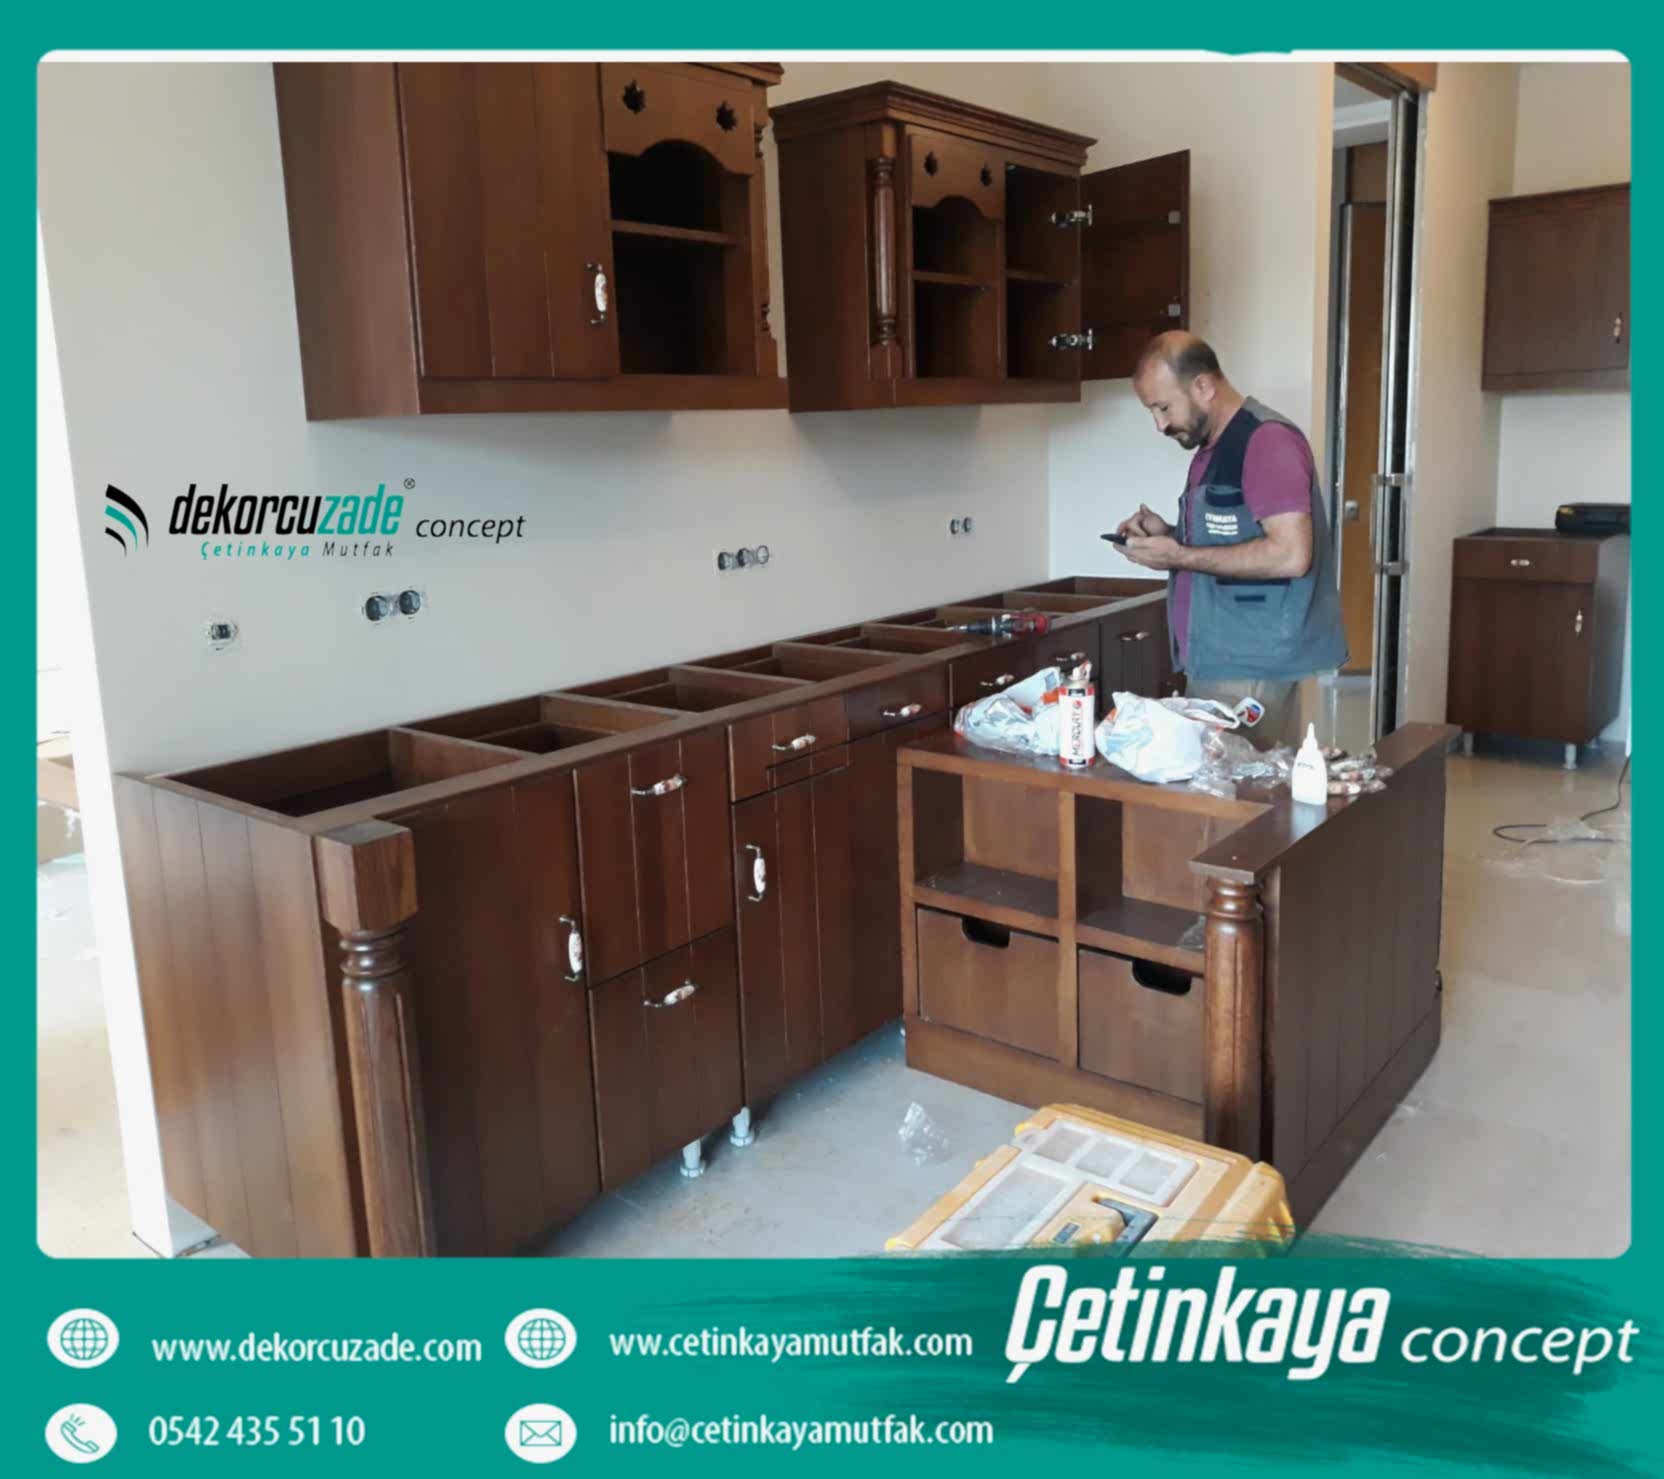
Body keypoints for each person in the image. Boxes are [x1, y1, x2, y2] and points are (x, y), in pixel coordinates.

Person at [1112, 331, 1347, 749]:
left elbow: (1291, 555)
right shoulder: (1213, 448)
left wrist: (1178, 556)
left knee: (1238, 783)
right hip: (1220, 657)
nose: (1160, 425)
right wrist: (1170, 535)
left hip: (1250, 664)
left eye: (1164, 407)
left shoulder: (1267, 442)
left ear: (1203, 386)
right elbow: (1234, 538)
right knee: (1224, 780)